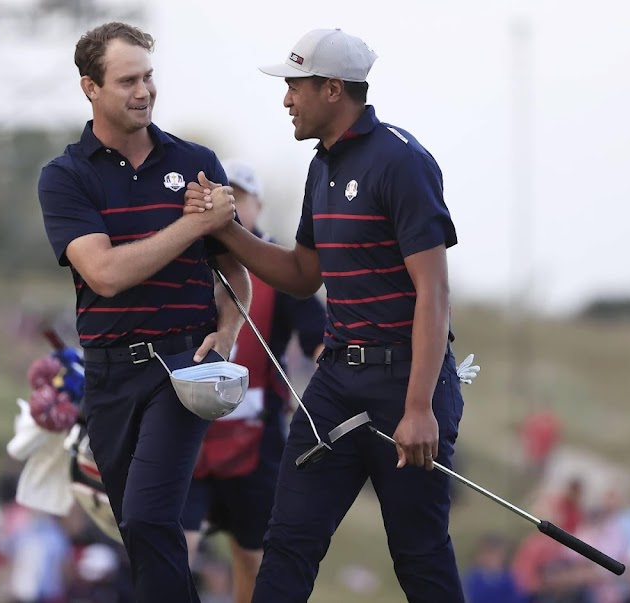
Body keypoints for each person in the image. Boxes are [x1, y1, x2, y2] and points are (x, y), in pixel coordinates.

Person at [185, 27, 466, 602]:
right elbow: (300, 275)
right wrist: (227, 231)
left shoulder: (400, 161)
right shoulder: (322, 166)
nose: (286, 99)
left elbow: (433, 292)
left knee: (419, 557)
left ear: (332, 89)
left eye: (294, 86)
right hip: (337, 383)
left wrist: (418, 410)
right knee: (288, 542)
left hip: (406, 384)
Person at [37, 21, 250, 601]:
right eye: (128, 79)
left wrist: (227, 332)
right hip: (107, 375)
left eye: (148, 76)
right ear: (90, 87)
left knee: (153, 518)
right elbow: (103, 275)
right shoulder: (65, 177)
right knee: (135, 526)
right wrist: (192, 225)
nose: (144, 91)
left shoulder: (197, 161)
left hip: (182, 367)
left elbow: (234, 271)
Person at [182, 159, 326, 603]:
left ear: (258, 206)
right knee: (171, 548)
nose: (235, 207)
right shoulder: (187, 259)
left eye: (242, 198)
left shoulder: (279, 267)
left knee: (252, 557)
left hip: (255, 436)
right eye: (227, 197)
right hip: (188, 430)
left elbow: (317, 337)